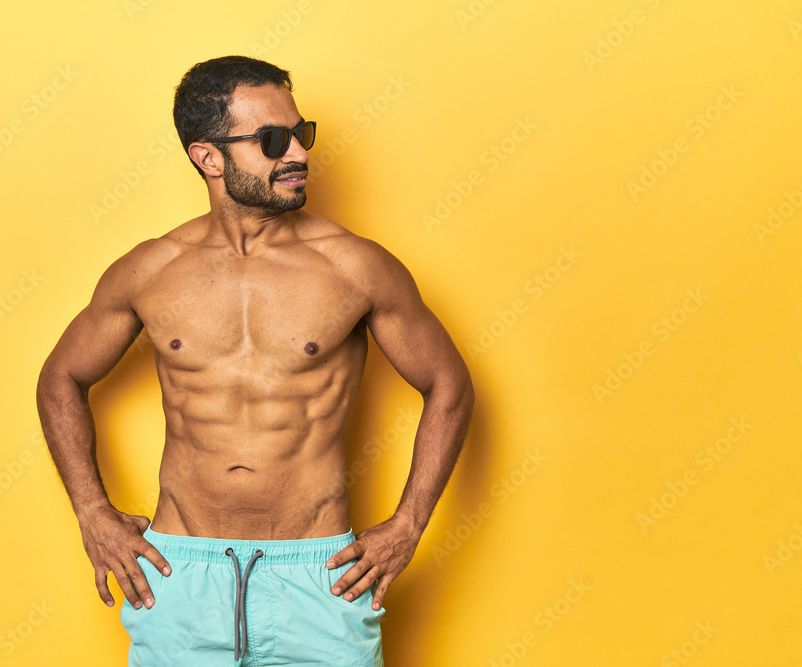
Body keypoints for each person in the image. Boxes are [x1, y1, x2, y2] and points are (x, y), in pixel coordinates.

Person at [35, 55, 474, 666]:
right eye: (272, 140)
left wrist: (408, 525)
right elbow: (62, 376)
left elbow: (448, 382)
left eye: (302, 133)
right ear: (208, 157)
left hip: (319, 578)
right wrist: (91, 511)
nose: (297, 153)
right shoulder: (151, 270)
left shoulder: (355, 266)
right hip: (179, 577)